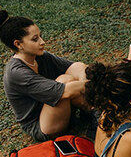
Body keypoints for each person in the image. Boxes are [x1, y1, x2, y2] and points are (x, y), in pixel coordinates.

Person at [0, 10, 88, 142]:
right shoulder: (17, 73)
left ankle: (91, 111)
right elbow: (65, 92)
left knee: (75, 71)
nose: (42, 42)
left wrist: (85, 77)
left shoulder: (40, 56)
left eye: (40, 36)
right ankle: (93, 111)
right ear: (18, 44)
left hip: (54, 109)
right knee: (65, 82)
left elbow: (77, 66)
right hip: (41, 125)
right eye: (35, 39)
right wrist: (97, 83)